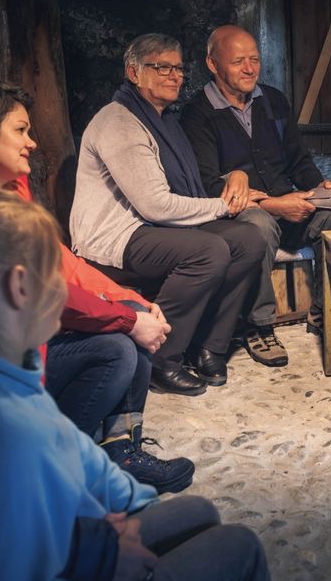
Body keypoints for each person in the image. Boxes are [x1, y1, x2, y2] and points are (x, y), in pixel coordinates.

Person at [0, 187, 271, 581]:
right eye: (53, 276)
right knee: (238, 545)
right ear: (19, 288)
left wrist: (128, 505)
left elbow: (76, 456)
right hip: (69, 563)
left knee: (198, 512)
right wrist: (108, 554)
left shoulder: (10, 371)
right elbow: (7, 563)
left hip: (79, 542)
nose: (66, 292)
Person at [0, 75, 192, 492]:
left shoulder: (8, 185)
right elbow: (36, 293)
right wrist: (126, 321)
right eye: (20, 130)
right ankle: (56, 465)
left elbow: (58, 260)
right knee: (117, 348)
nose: (31, 142)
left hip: (30, 344)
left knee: (129, 322)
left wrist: (126, 300)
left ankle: (119, 451)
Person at [70, 33, 266, 394]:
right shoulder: (120, 123)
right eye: (162, 68)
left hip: (152, 228)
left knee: (249, 239)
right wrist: (225, 205)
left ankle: (208, 345)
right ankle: (161, 359)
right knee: (208, 250)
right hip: (116, 236)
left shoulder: (166, 121)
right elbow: (156, 205)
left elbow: (189, 184)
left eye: (178, 68)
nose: (175, 76)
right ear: (134, 72)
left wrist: (233, 179)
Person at [182, 25, 331, 357]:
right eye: (238, 62)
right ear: (213, 64)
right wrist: (274, 205)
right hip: (238, 213)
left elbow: (298, 159)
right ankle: (259, 325)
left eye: (255, 60)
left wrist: (318, 186)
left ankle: (325, 310)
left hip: (286, 205)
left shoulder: (273, 100)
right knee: (258, 227)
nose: (250, 69)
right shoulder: (197, 114)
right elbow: (208, 184)